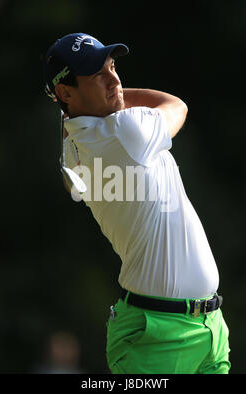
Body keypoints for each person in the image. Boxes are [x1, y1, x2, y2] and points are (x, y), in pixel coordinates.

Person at [42, 33, 231, 374]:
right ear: (65, 92)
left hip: (206, 326)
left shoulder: (76, 147)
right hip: (156, 335)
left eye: (112, 67)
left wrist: (96, 96)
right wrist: (118, 96)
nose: (114, 80)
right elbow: (177, 105)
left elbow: (72, 154)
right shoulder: (125, 132)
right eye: (97, 74)